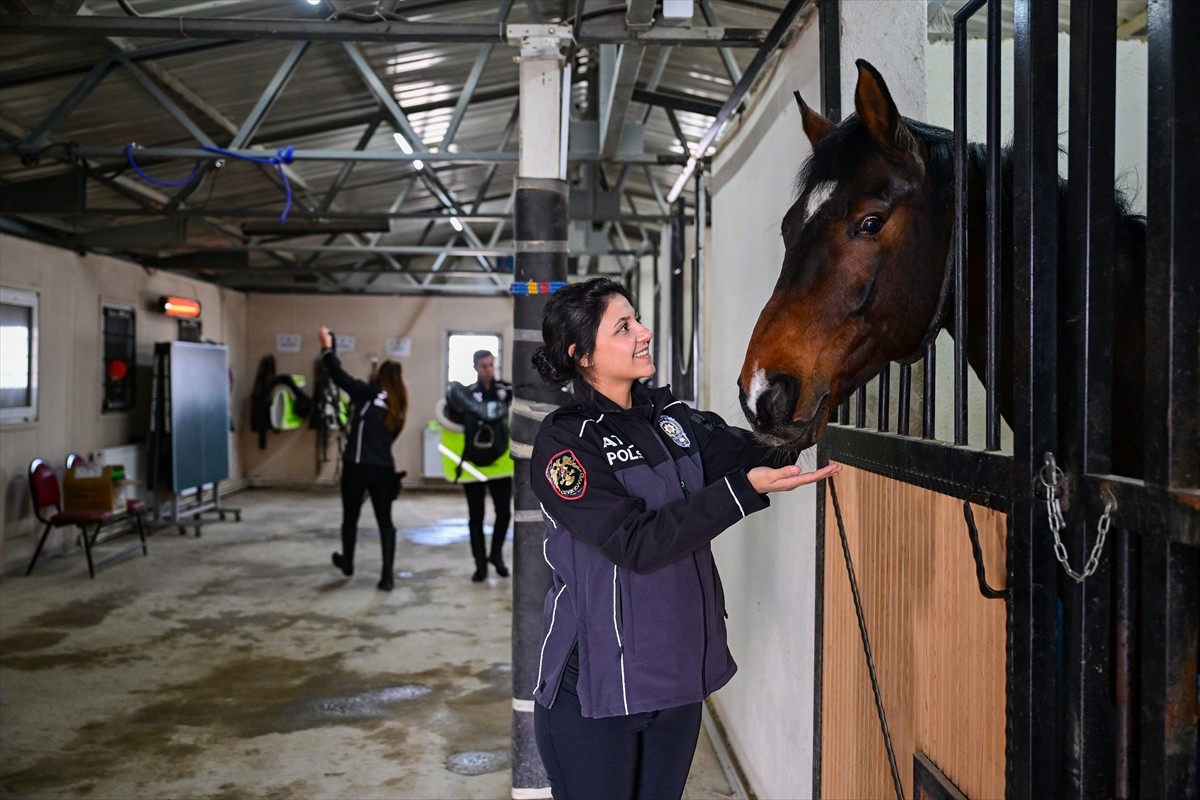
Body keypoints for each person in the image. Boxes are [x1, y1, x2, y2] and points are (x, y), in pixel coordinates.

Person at [529, 277, 841, 800]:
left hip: (676, 678)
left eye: (638, 320)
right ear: (581, 354)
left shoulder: (674, 421)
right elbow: (634, 543)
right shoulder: (566, 442)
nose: (644, 332)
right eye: (623, 327)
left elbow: (762, 451)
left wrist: (825, 370)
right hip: (594, 690)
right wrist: (740, 492)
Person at [319, 326, 408, 591]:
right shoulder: (398, 404)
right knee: (385, 523)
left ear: (380, 376)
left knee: (350, 518)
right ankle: (387, 577)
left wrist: (327, 348)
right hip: (383, 470)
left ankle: (347, 562)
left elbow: (339, 377)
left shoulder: (369, 394)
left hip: (357, 467)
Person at [444, 350, 513, 583]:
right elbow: (449, 407)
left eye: (491, 365)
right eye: (483, 366)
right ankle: (480, 565)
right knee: (476, 517)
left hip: (499, 463)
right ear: (475, 367)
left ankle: (495, 555)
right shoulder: (467, 395)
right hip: (474, 462)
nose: (488, 370)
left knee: (504, 512)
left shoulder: (504, 391)